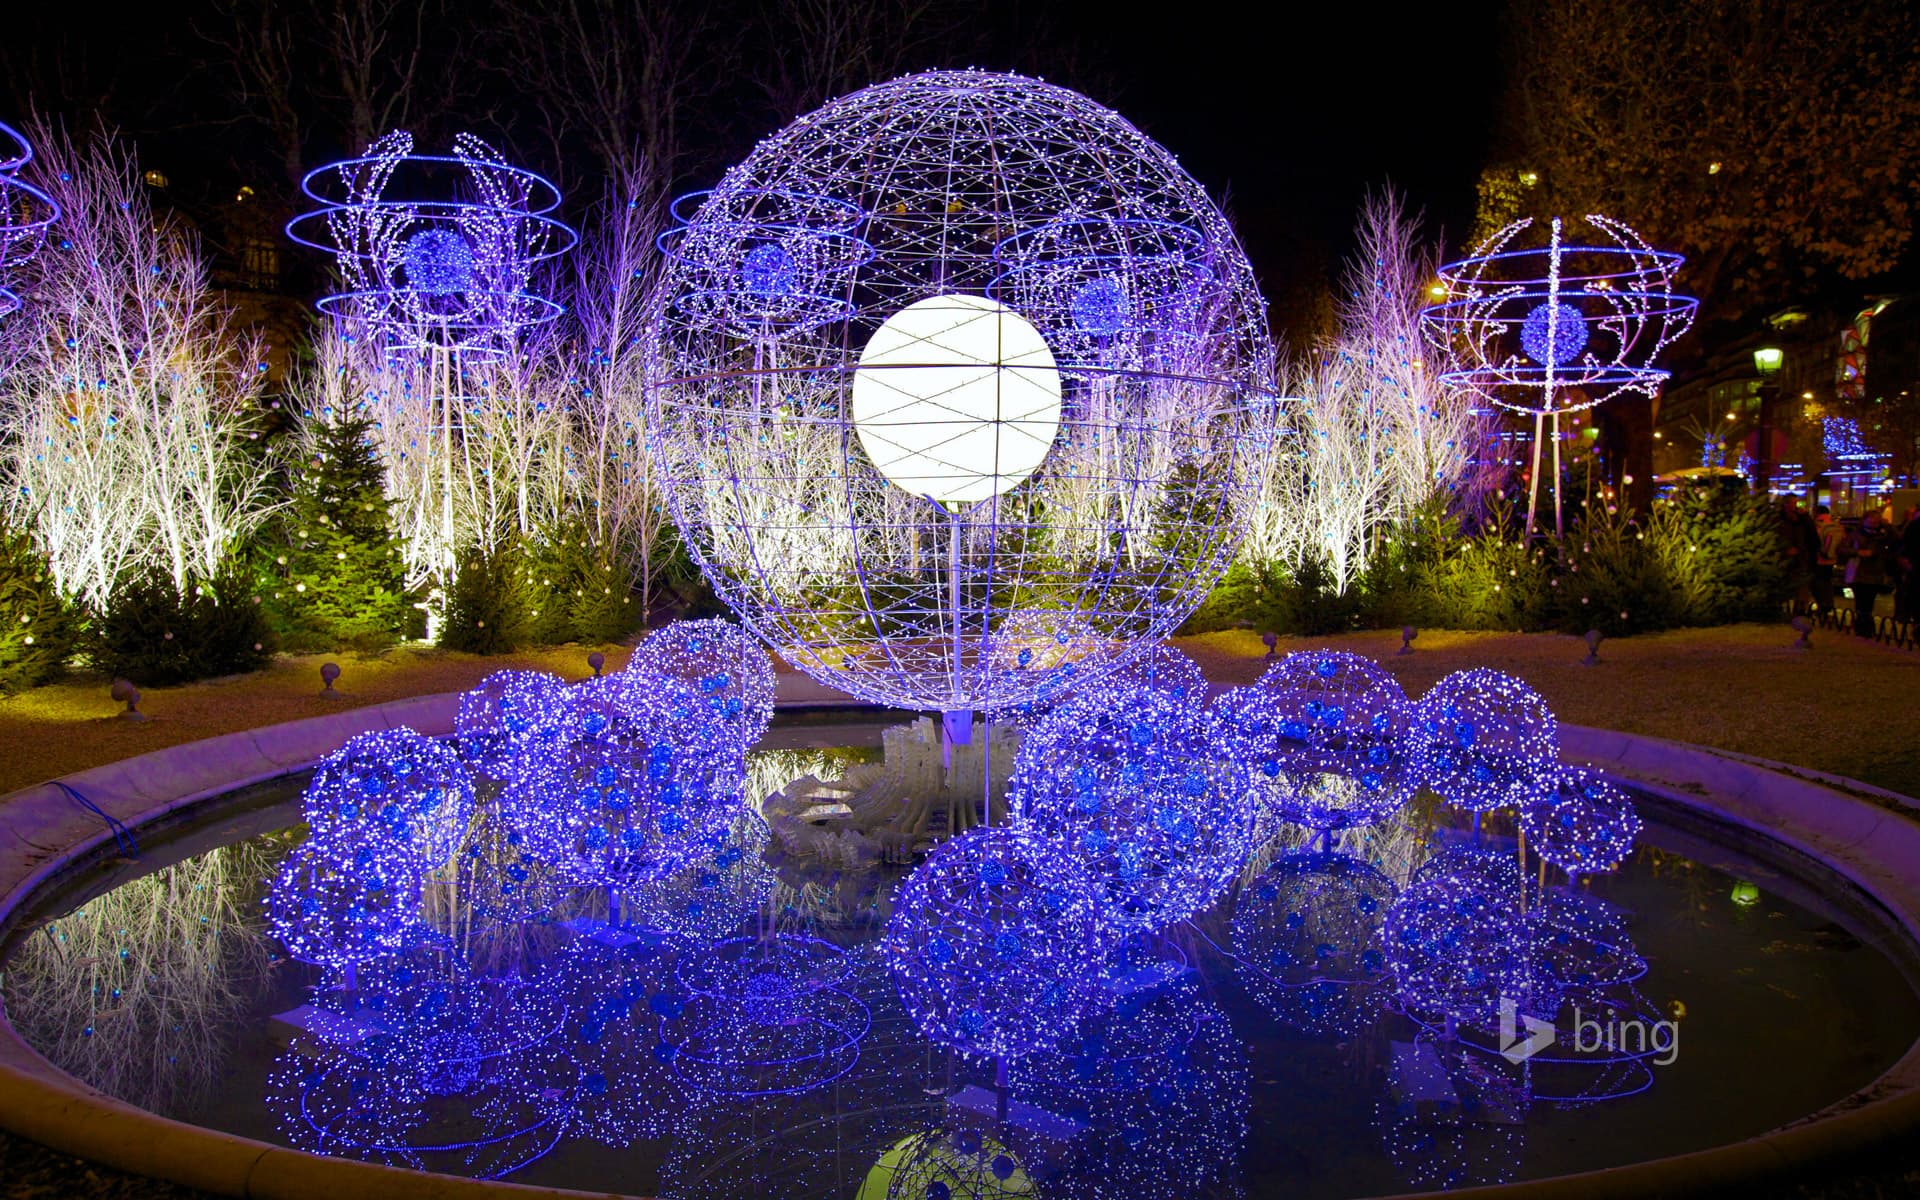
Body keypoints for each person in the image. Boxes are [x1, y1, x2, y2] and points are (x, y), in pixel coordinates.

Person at [1841, 508, 1896, 637]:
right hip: (1858, 573)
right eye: (1871, 521)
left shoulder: (1883, 535)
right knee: (1861, 601)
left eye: (1876, 521)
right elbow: (1842, 549)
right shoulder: (1856, 534)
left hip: (1875, 573)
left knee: (1869, 601)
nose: (1873, 524)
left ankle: (1866, 627)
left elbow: (1896, 541)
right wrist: (1857, 552)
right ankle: (1862, 627)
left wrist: (1888, 526)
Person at [1775, 495, 1820, 613]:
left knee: (1801, 586)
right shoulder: (1779, 520)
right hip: (1783, 558)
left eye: (1796, 503)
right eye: (1792, 503)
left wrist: (1806, 517)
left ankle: (1800, 610)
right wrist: (1784, 549)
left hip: (1801, 558)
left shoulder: (1802, 519)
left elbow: (1812, 536)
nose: (1795, 507)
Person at [1813, 504, 1841, 617]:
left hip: (1820, 558)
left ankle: (1823, 605)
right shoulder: (1835, 524)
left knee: (1818, 582)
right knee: (1827, 582)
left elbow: (1815, 540)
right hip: (1831, 558)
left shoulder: (1818, 524)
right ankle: (1829, 604)